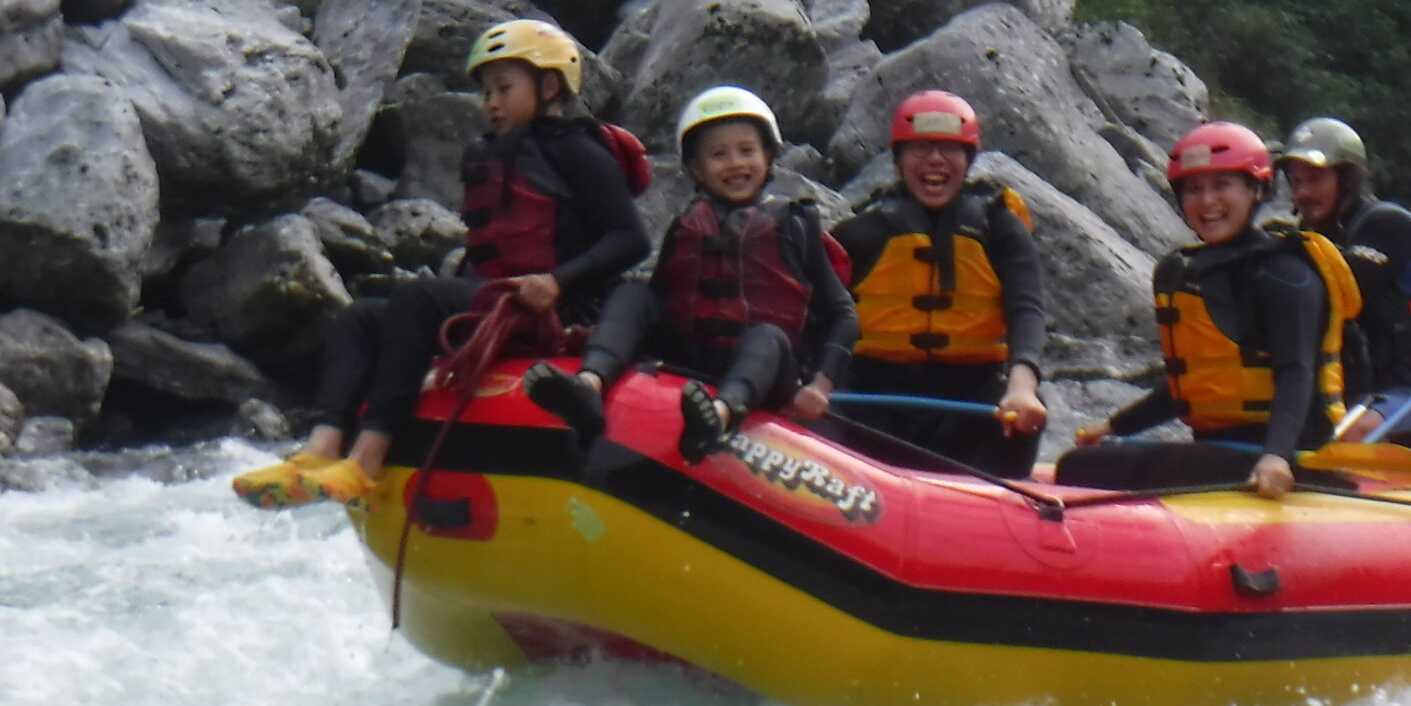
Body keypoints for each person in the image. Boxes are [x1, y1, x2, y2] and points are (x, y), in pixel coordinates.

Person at [256, 20, 650, 507]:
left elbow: (631, 239)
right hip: (495, 301)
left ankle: (367, 460)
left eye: (504, 88)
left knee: (417, 299)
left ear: (549, 87)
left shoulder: (578, 149)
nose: (491, 103)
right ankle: (320, 449)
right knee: (360, 318)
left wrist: (557, 280)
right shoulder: (489, 153)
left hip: (557, 309)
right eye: (487, 92)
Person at [523, 87, 857, 462]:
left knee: (768, 337)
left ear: (768, 156)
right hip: (692, 360)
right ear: (697, 169)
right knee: (633, 294)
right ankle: (589, 383)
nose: (735, 164)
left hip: (767, 374)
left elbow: (843, 313)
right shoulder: (686, 227)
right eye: (718, 155)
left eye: (747, 151)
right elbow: (656, 304)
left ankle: (719, 415)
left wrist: (821, 384)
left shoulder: (796, 225)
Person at [1071, 121, 1359, 499]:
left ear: (1257, 189)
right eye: (1194, 189)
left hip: (1289, 457)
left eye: (1222, 185)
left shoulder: (1286, 274)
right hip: (1219, 451)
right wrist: (1114, 426)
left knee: (1159, 471)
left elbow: (1296, 375)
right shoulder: (1183, 272)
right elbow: (1194, 386)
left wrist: (1275, 457)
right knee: (1078, 465)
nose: (1207, 201)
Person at [832, 90, 1048, 477]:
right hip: (874, 403)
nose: (935, 160)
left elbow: (1026, 308)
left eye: (949, 149)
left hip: (969, 405)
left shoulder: (1001, 230)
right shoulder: (860, 233)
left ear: (968, 161)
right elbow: (821, 316)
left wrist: (1022, 384)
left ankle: (989, 500)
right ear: (897, 162)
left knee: (1024, 413)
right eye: (920, 149)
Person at [1278, 116, 1411, 460]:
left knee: (1352, 433)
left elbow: (1338, 281)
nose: (1303, 193)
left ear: (1347, 179)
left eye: (1315, 179)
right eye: (1296, 181)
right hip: (1350, 393)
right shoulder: (1311, 238)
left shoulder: (1389, 224)